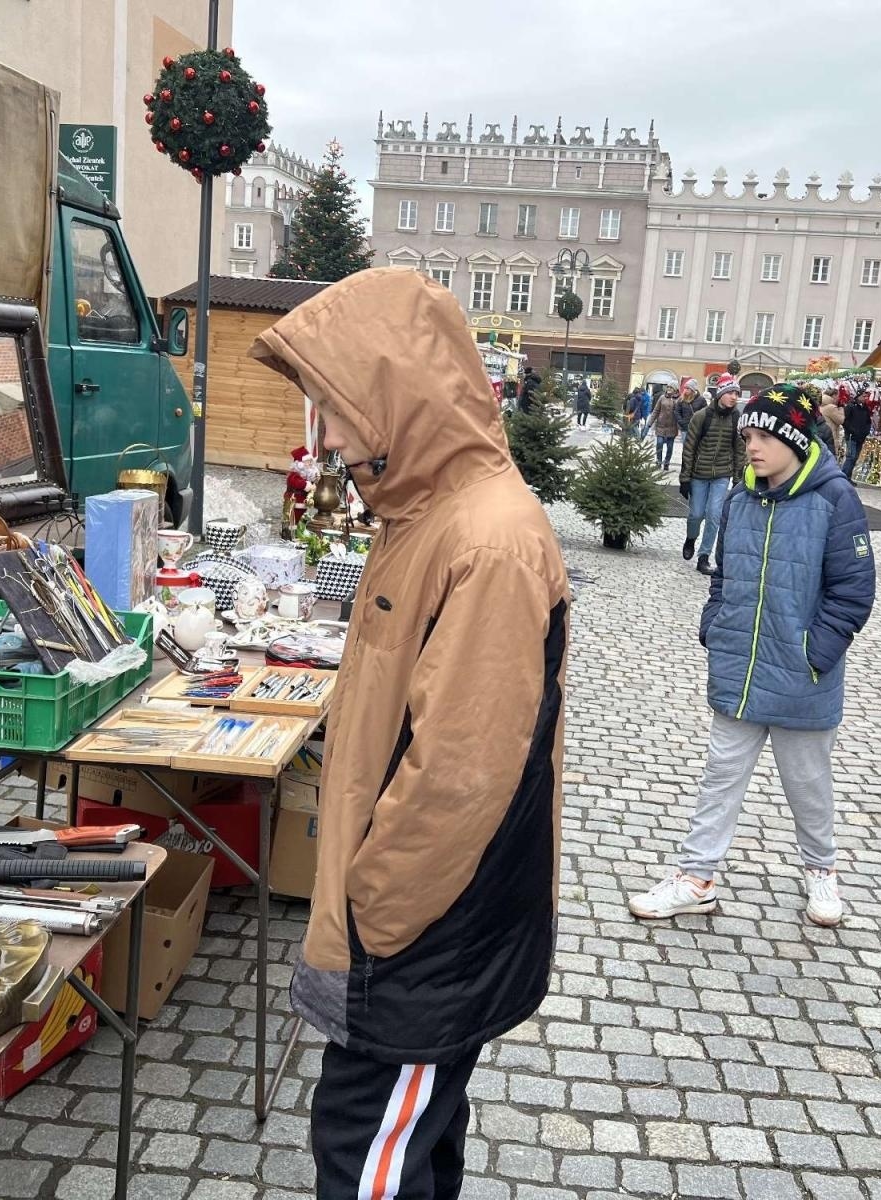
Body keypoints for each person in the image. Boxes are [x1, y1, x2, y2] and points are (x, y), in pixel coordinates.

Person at [249, 267, 571, 1200]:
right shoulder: (425, 510)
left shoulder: (485, 538)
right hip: (419, 930)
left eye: (338, 408)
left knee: (367, 1155)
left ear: (397, 392)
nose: (329, 435)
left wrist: (374, 912)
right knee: (414, 1142)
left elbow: (461, 776)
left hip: (425, 934)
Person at [630, 383, 876, 927]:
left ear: (793, 437)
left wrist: (815, 653)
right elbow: (723, 574)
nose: (753, 446)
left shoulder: (834, 499)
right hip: (739, 666)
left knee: (807, 783)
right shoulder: (740, 497)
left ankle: (821, 870)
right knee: (721, 774)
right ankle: (696, 877)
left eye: (764, 435)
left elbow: (854, 591)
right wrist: (715, 627)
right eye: (748, 435)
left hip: (802, 675)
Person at [679, 376, 745, 573]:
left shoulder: (736, 419)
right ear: (721, 394)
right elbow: (689, 447)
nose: (734, 397)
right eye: (731, 393)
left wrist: (737, 478)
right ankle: (691, 538)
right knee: (696, 514)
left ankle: (704, 556)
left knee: (714, 515)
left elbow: (739, 449)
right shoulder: (701, 416)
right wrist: (685, 478)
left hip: (722, 474)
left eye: (737, 394)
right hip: (699, 473)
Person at [841, 390, 872, 483]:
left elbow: (868, 421)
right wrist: (852, 430)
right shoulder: (850, 406)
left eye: (866, 397)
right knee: (851, 456)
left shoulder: (865, 408)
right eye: (863, 396)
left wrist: (866, 431)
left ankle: (848, 477)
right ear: (858, 396)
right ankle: (843, 477)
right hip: (851, 436)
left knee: (855, 457)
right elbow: (844, 421)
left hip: (861, 437)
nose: (865, 398)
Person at [652, 386, 683, 469]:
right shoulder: (662, 398)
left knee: (670, 447)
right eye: (668, 387)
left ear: (675, 390)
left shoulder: (679, 399)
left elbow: (680, 412)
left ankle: (667, 462)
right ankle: (658, 461)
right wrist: (649, 423)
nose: (669, 389)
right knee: (659, 443)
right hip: (660, 425)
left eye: (671, 388)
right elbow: (656, 410)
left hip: (672, 427)